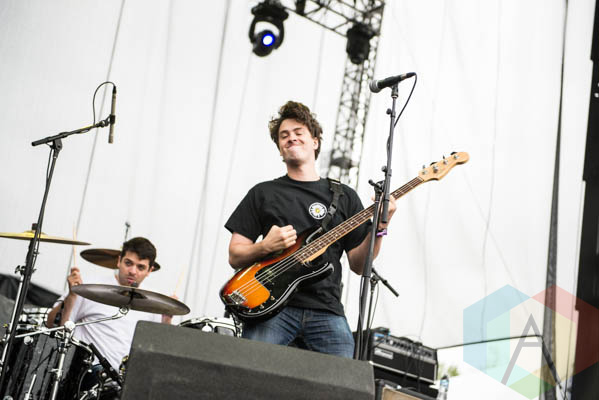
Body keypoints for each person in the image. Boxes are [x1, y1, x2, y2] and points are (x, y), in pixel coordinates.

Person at [225, 100, 396, 358]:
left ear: (315, 142)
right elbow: (235, 255)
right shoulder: (263, 193)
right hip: (270, 308)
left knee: (342, 378)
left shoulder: (344, 196)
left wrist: (381, 225)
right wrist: (265, 246)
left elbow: (360, 266)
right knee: (251, 369)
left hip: (327, 310)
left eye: (298, 132)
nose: (291, 138)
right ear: (280, 149)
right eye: (284, 136)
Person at [46, 237, 171, 373]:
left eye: (141, 267)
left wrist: (166, 322)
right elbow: (52, 325)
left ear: (150, 270)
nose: (133, 271)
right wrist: (71, 296)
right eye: (128, 263)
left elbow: (154, 353)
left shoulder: (153, 302)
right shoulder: (89, 286)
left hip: (122, 380)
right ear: (119, 261)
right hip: (84, 374)